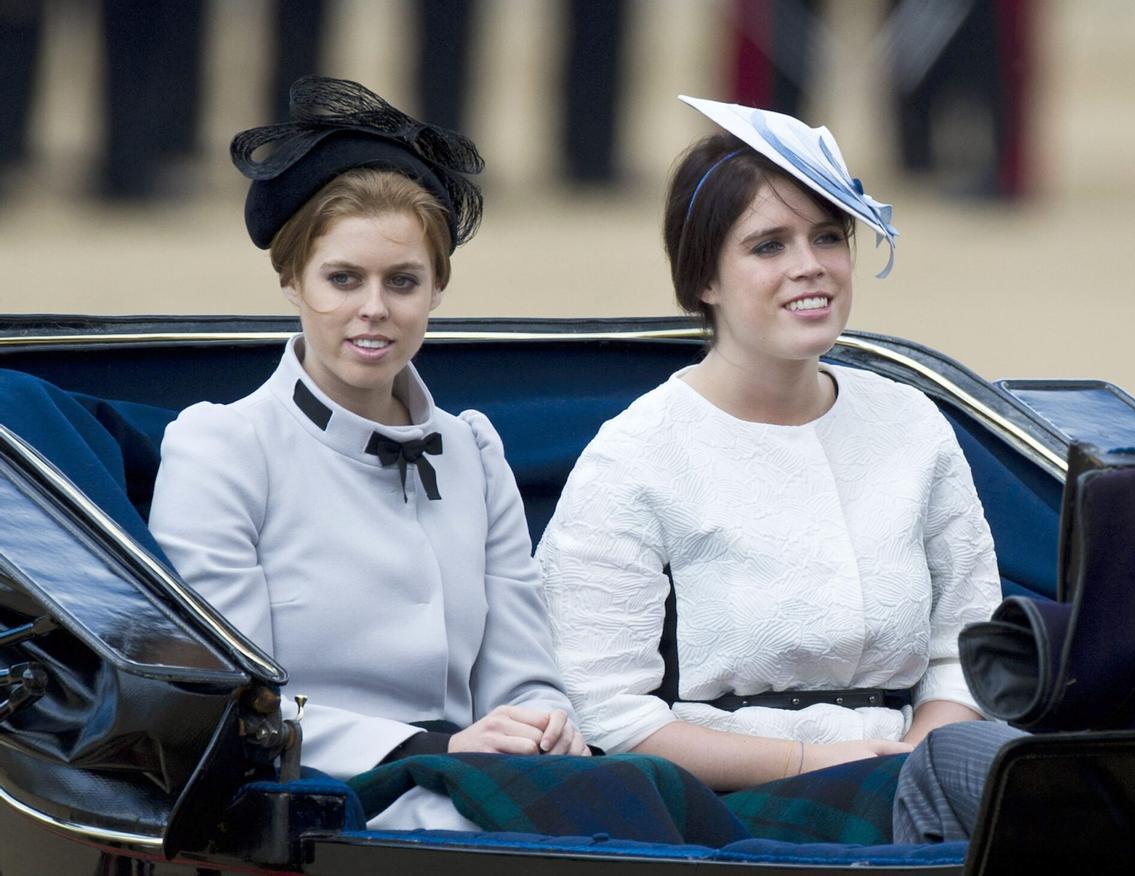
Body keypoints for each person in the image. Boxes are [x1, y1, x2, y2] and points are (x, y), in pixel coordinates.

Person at [537, 96, 1004, 809]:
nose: (810, 266)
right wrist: (811, 762)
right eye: (768, 246)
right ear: (704, 280)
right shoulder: (635, 455)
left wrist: (913, 762)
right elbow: (609, 711)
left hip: (921, 773)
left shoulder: (911, 421)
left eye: (827, 237)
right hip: (726, 803)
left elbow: (966, 653)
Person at [148, 76, 588, 831]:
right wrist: (435, 746)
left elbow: (525, 678)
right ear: (292, 280)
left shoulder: (474, 450)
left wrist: (545, 723)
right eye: (343, 279)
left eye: (404, 281)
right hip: (312, 803)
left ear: (438, 290)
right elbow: (234, 706)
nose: (374, 308)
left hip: (479, 793)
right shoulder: (221, 447)